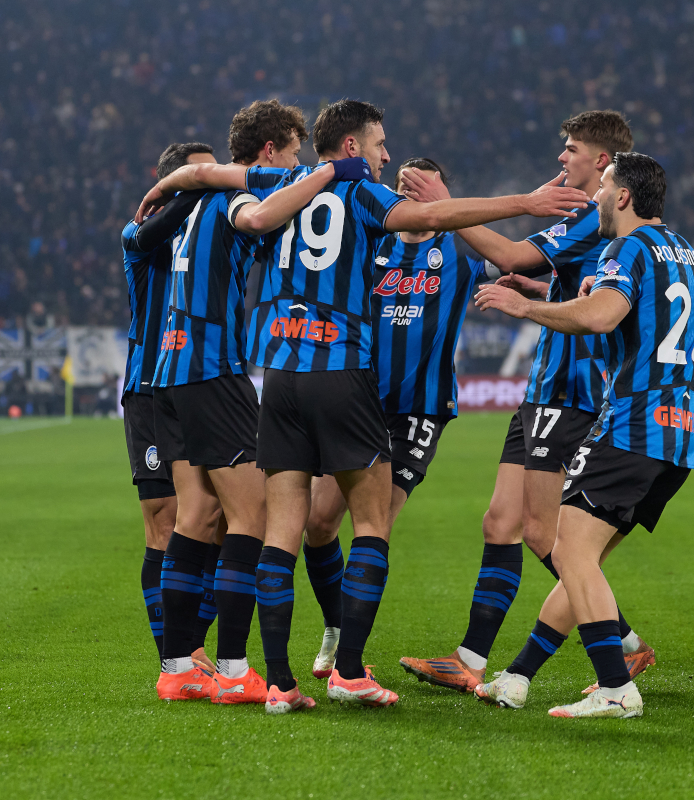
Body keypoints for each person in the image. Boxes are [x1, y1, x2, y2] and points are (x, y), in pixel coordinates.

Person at [140, 98, 590, 712]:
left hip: (279, 376)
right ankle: (348, 669)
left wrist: (166, 184)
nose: (385, 156)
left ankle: (276, 683)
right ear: (352, 147)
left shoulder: (283, 183)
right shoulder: (365, 198)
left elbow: (206, 176)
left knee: (283, 529)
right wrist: (526, 202)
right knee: (368, 522)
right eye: (379, 145)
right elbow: (440, 212)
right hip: (343, 376)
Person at [396, 110, 655, 694]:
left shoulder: (596, 214)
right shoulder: (587, 219)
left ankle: (622, 648)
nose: (562, 157)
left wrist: (444, 203)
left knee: (543, 533)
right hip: (544, 388)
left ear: (602, 162)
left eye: (571, 149)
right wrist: (542, 289)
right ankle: (470, 658)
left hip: (571, 391)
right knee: (501, 521)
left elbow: (510, 256)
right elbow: (577, 281)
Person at [138, 101, 374, 705]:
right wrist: (327, 175)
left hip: (169, 370)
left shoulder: (195, 204)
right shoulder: (233, 200)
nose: (297, 163)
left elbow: (197, 184)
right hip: (213, 370)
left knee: (197, 518)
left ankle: (176, 665)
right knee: (257, 519)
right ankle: (237, 667)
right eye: (294, 152)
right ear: (270, 151)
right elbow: (259, 217)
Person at [473, 152, 694, 718]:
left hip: (633, 424)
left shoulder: (625, 248)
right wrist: (554, 297)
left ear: (623, 196)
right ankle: (518, 676)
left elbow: (601, 316)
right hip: (681, 433)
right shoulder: (683, 252)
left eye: (603, 186)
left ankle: (615, 688)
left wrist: (525, 307)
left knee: (569, 549)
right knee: (584, 562)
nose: (596, 196)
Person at [298, 158, 490, 679]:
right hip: (356, 401)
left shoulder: (461, 251)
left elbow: (520, 263)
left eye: (416, 188)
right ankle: (336, 629)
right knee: (317, 525)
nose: (403, 195)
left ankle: (349, 662)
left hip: (418, 411)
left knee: (373, 526)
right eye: (399, 187)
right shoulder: (371, 245)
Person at [120, 141, 213, 672]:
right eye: (199, 172)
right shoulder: (140, 232)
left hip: (205, 386)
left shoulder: (215, 227)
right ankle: (173, 660)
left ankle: (190, 641)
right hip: (151, 390)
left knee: (224, 515)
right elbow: (156, 228)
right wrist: (198, 186)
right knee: (166, 520)